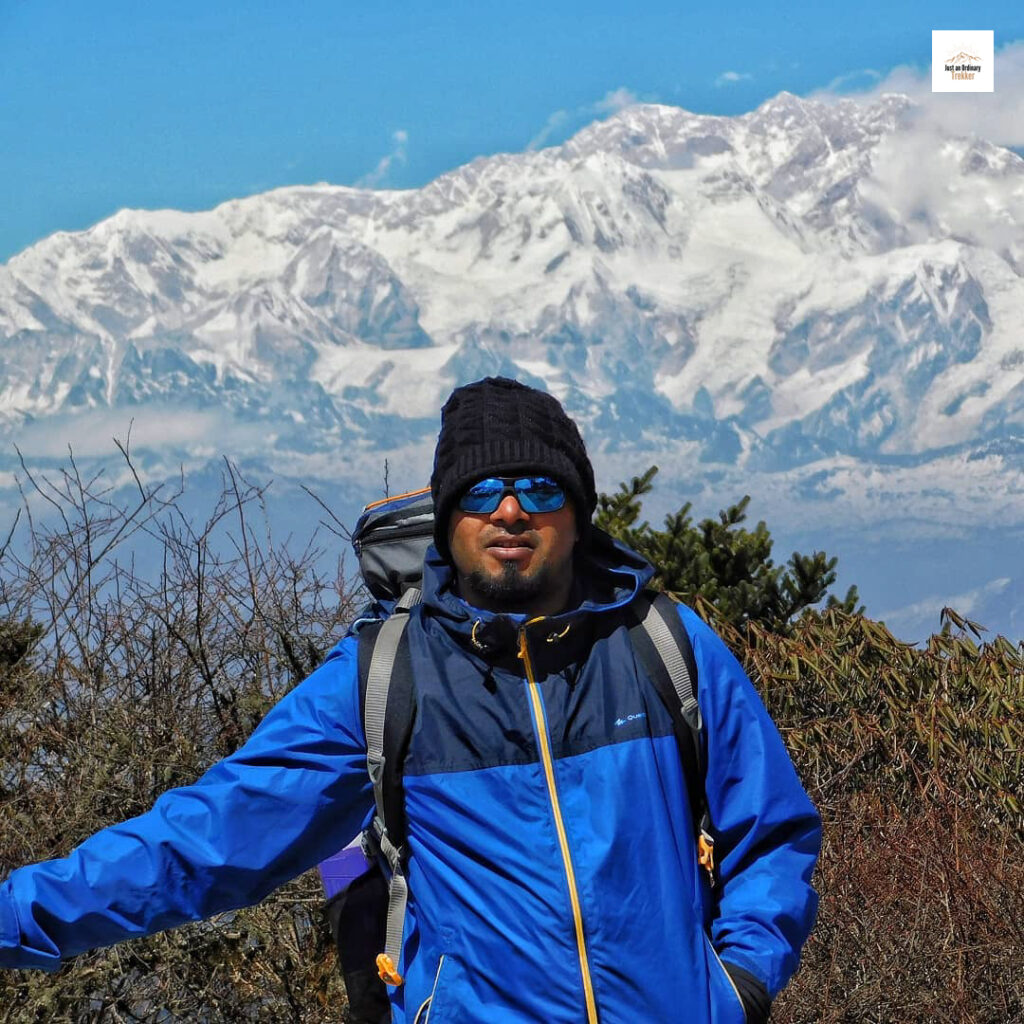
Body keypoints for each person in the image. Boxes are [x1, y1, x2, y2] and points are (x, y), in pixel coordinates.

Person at [0, 377, 821, 1023]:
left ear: (576, 511)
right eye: (482, 490)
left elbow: (772, 830)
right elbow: (205, 839)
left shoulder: (664, 645)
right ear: (447, 516)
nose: (509, 510)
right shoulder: (385, 678)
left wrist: (737, 982)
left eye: (539, 488)